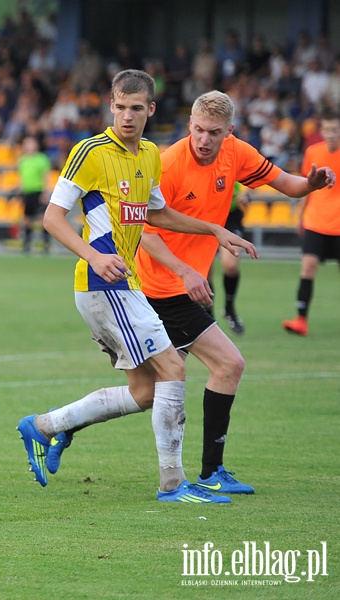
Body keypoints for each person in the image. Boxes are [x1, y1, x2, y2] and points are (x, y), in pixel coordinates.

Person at [16, 70, 256, 504]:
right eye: (120, 107)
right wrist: (93, 255)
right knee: (174, 369)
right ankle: (173, 485)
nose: (127, 116)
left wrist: (213, 230)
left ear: (151, 109)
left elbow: (157, 215)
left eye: (136, 108)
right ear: (111, 105)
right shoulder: (89, 151)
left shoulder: (148, 155)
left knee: (146, 392)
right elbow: (53, 217)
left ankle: (46, 425)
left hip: (126, 287)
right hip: (100, 284)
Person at [132, 91, 334, 496]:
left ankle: (53, 424)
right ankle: (206, 473)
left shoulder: (236, 153)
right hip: (162, 285)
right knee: (229, 364)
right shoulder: (168, 164)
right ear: (189, 124)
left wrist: (310, 183)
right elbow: (143, 230)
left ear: (230, 133)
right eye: (198, 130)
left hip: (188, 284)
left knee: (144, 393)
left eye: (214, 133)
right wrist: (185, 270)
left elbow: (287, 184)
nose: (204, 140)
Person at [283, 111, 340, 336]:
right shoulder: (313, 153)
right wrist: (301, 217)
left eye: (335, 129)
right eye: (327, 129)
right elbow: (307, 186)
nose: (331, 134)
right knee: (307, 267)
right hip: (316, 221)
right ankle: (301, 320)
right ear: (321, 131)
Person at [217, 181, 252, 334]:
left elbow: (254, 174)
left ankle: (229, 307)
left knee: (230, 265)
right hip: (203, 214)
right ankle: (207, 314)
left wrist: (246, 194)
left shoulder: (232, 157)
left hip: (231, 215)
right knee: (203, 271)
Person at [14, 135, 53, 254]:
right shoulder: (22, 160)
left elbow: (46, 176)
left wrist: (45, 192)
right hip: (27, 193)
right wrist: (19, 192)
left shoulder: (42, 159)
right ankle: (27, 245)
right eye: (26, 143)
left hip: (38, 191)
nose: (28, 146)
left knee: (42, 219)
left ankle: (45, 245)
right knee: (26, 219)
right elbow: (21, 177)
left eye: (30, 143)